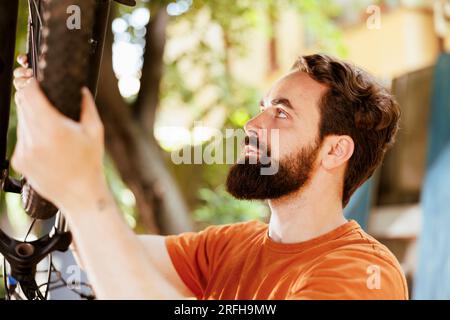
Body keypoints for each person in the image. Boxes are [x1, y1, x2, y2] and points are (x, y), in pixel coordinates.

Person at [12, 53, 408, 299]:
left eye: (281, 113)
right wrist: (47, 118)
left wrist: (84, 193)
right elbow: (116, 253)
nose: (253, 124)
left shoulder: (361, 275)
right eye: (262, 107)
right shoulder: (230, 245)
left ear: (335, 150)